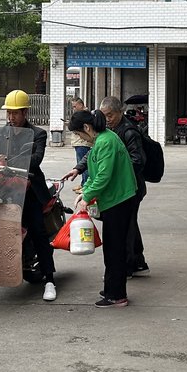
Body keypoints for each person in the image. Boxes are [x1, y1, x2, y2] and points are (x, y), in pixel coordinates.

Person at [0, 89, 57, 302]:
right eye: (9, 113)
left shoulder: (38, 134)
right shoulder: (0, 132)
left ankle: (49, 279)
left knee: (37, 230)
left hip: (29, 188)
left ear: (25, 112)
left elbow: (36, 160)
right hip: (3, 186)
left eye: (15, 113)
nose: (11, 117)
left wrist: (9, 163)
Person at [70, 96, 148, 275]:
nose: (106, 119)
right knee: (123, 233)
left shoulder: (125, 133)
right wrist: (81, 174)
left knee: (121, 237)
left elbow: (107, 173)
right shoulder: (104, 136)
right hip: (115, 193)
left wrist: (88, 195)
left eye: (110, 115)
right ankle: (134, 263)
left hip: (123, 193)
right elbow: (94, 163)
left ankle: (127, 269)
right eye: (103, 115)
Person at [68, 109, 137, 307]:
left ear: (87, 128)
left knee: (115, 249)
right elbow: (94, 173)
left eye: (79, 134)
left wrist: (87, 196)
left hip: (119, 200)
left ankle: (116, 295)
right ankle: (112, 288)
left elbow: (103, 177)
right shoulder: (102, 140)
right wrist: (85, 191)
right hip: (114, 199)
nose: (80, 138)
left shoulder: (106, 142)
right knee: (112, 247)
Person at [66, 98, 90, 182]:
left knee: (84, 166)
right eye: (72, 107)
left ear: (81, 105)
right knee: (80, 165)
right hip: (78, 143)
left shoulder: (85, 115)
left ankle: (85, 185)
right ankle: (83, 183)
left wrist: (74, 127)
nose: (73, 109)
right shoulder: (80, 114)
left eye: (75, 106)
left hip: (82, 143)